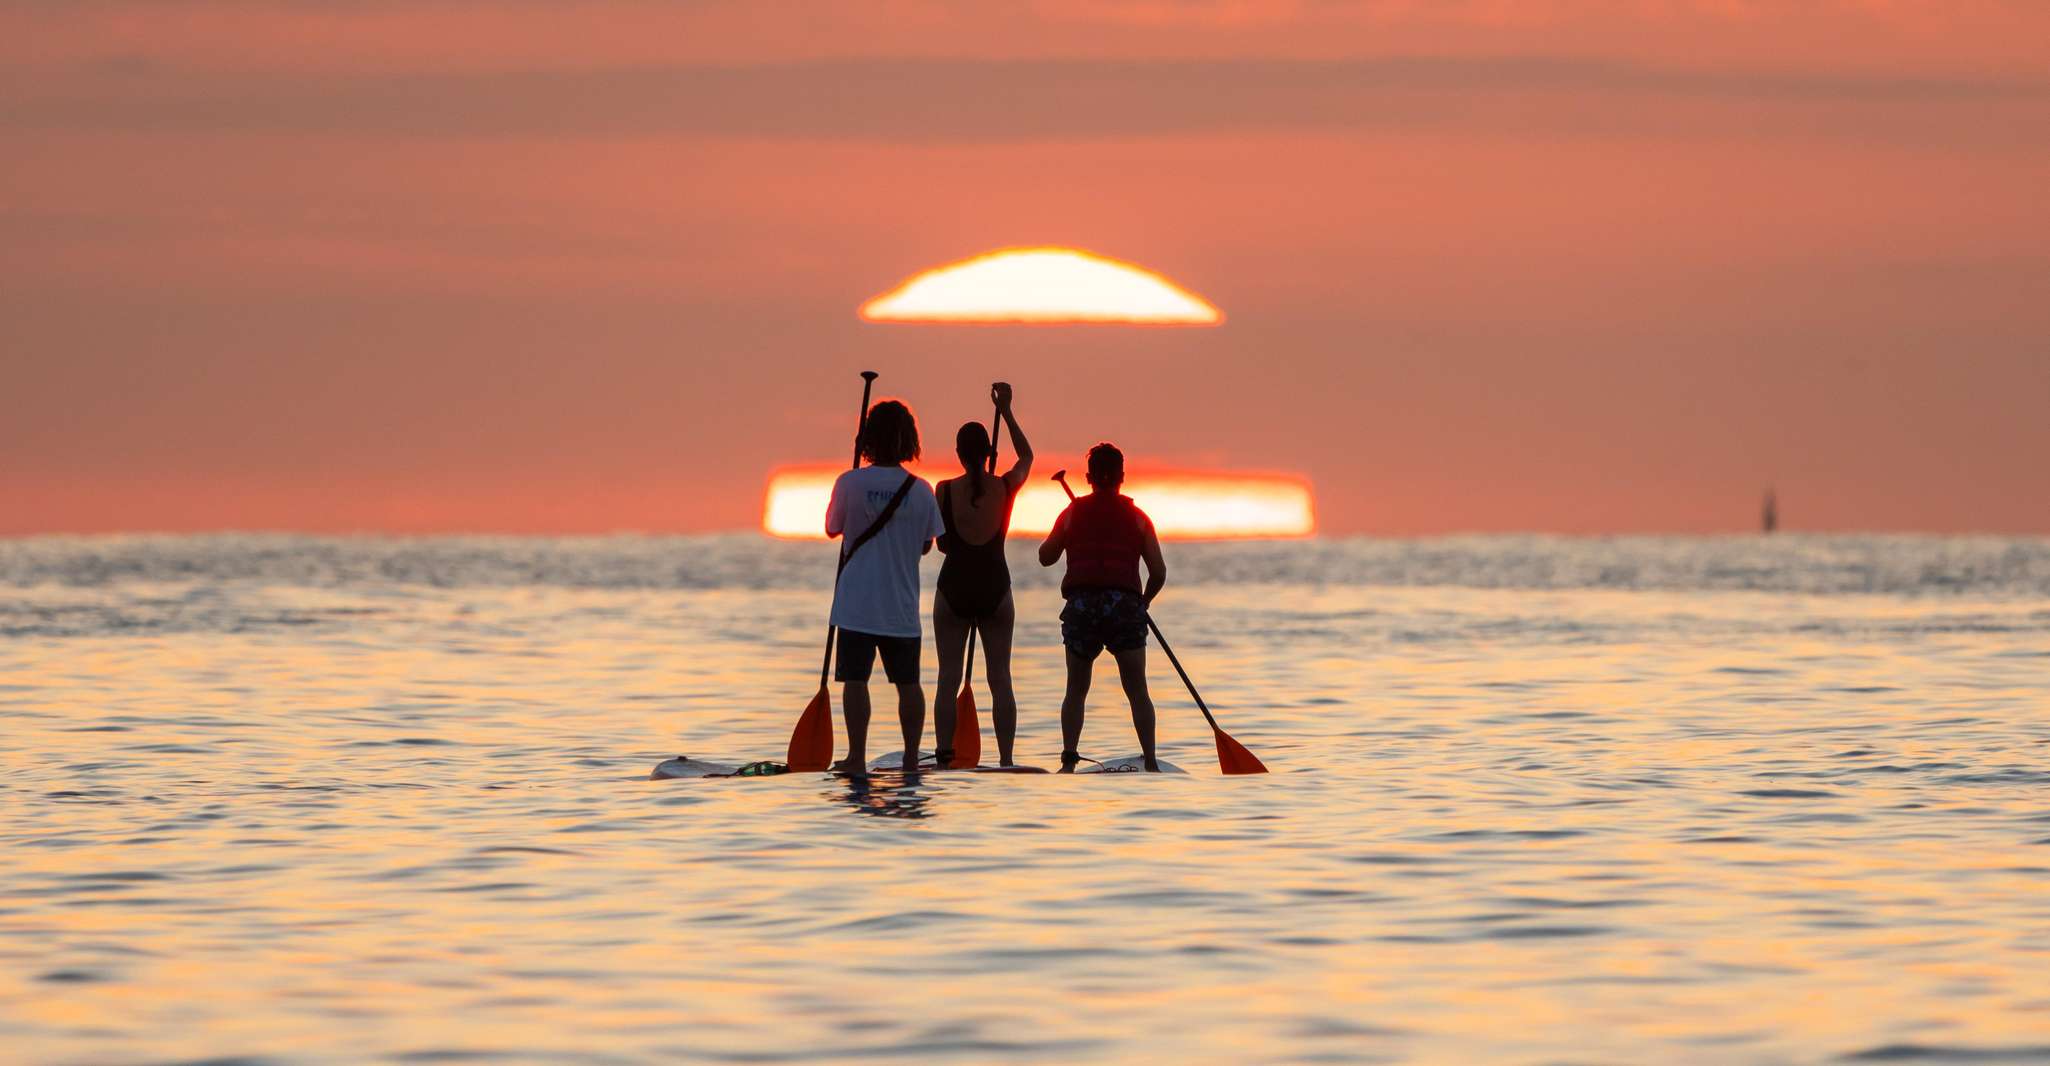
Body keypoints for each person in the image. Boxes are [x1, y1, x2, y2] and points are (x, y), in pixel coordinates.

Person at [825, 399, 945, 774]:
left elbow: (833, 528)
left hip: (856, 603)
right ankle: (911, 759)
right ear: (909, 440)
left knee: (855, 680)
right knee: (908, 683)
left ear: (867, 440)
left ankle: (856, 758)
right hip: (901, 606)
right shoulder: (922, 489)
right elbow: (927, 544)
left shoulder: (849, 482)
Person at [1038, 442, 1166, 772]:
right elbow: (1158, 572)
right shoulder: (1138, 519)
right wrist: (1143, 602)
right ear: (1122, 477)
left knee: (1076, 690)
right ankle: (1150, 761)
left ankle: (1068, 761)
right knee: (1137, 689)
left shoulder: (1072, 513)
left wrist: (1067, 530)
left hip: (1083, 608)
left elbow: (1045, 557)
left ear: (1088, 477)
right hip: (1124, 608)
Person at [932, 382, 1033, 768]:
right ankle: (1006, 759)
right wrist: (1006, 410)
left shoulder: (942, 490)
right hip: (996, 589)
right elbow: (1026, 456)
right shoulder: (1005, 486)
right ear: (990, 453)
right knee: (1000, 679)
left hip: (953, 589)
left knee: (947, 678)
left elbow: (942, 545)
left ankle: (944, 756)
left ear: (958, 455)